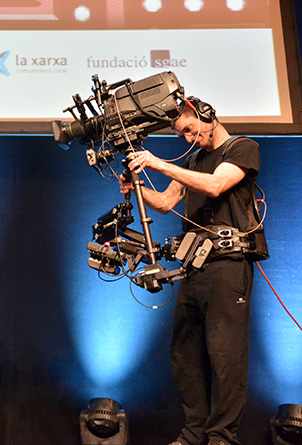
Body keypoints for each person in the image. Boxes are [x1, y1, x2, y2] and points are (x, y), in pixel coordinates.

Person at [120, 97, 262, 445]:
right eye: (180, 134)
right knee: (184, 353)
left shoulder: (242, 148)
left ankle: (221, 436)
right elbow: (166, 202)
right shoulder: (195, 159)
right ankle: (194, 432)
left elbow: (215, 185)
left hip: (228, 265)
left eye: (189, 129)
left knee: (225, 354)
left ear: (207, 116)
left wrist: (157, 163)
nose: (187, 138)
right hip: (194, 265)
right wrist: (134, 186)